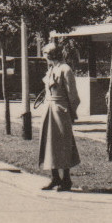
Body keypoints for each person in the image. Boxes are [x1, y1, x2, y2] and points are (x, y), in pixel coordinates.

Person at [38, 42, 81, 192]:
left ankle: (66, 180)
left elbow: (73, 95)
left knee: (63, 145)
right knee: (49, 144)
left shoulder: (65, 69)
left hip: (60, 111)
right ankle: (54, 177)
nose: (45, 58)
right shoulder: (51, 69)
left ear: (52, 55)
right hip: (49, 110)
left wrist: (71, 113)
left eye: (46, 55)